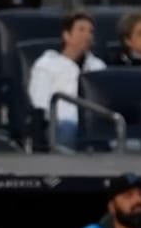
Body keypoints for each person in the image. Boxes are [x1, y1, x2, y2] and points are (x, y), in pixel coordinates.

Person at [27, 10, 107, 149]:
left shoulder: (98, 66)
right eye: (81, 30)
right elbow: (39, 102)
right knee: (68, 127)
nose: (87, 35)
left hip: (93, 123)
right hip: (58, 122)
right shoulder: (47, 64)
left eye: (91, 31)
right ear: (67, 35)